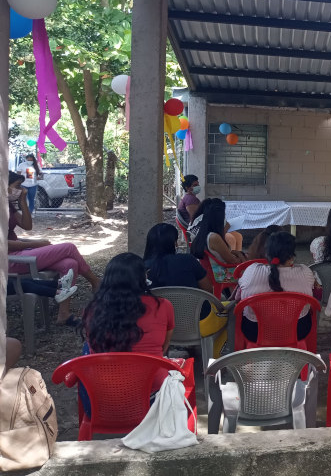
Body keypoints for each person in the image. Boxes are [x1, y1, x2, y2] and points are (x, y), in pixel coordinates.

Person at [80, 253, 175, 415]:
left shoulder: (92, 310)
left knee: (86, 351)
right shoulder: (163, 306)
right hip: (153, 399)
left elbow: (93, 344)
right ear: (143, 278)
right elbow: (164, 347)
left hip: (103, 400)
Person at [7, 170, 100, 324]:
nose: (21, 190)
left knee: (70, 264)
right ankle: (95, 282)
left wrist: (23, 201)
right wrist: (37, 244)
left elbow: (27, 226)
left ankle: (64, 314)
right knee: (68, 247)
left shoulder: (8, 207)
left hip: (21, 253)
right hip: (10, 261)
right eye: (17, 186)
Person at [235, 231, 316, 343]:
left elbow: (238, 298)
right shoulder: (305, 272)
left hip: (254, 331)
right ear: (292, 256)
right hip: (298, 330)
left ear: (266, 254)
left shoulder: (251, 271)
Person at [143, 223, 212, 292]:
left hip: (157, 303)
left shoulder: (142, 268)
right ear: (174, 243)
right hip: (192, 302)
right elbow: (208, 289)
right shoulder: (188, 260)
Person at [190, 198, 246, 264]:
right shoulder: (214, 237)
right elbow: (233, 261)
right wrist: (241, 256)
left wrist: (235, 252)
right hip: (222, 271)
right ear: (219, 218)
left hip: (209, 269)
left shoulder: (201, 232)